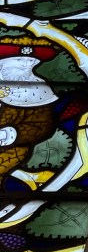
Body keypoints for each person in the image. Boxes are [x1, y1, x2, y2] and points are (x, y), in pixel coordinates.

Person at [0, 37, 58, 186]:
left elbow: (41, 125)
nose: (25, 65)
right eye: (20, 60)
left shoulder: (38, 91)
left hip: (12, 149)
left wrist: (9, 134)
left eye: (30, 61)